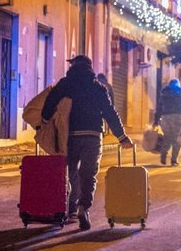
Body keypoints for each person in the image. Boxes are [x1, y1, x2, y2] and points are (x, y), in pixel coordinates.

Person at [40, 55, 132, 231]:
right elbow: (109, 113)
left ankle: (71, 206)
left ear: (73, 66)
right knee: (88, 174)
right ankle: (83, 208)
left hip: (70, 135)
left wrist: (44, 120)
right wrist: (122, 137)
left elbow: (51, 100)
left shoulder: (66, 83)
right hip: (92, 135)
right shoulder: (98, 87)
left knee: (71, 171)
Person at [155, 78, 181, 166]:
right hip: (178, 118)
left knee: (167, 137)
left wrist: (156, 121)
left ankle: (163, 153)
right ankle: (174, 160)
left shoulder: (164, 95)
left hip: (165, 118)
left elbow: (159, 109)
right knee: (177, 139)